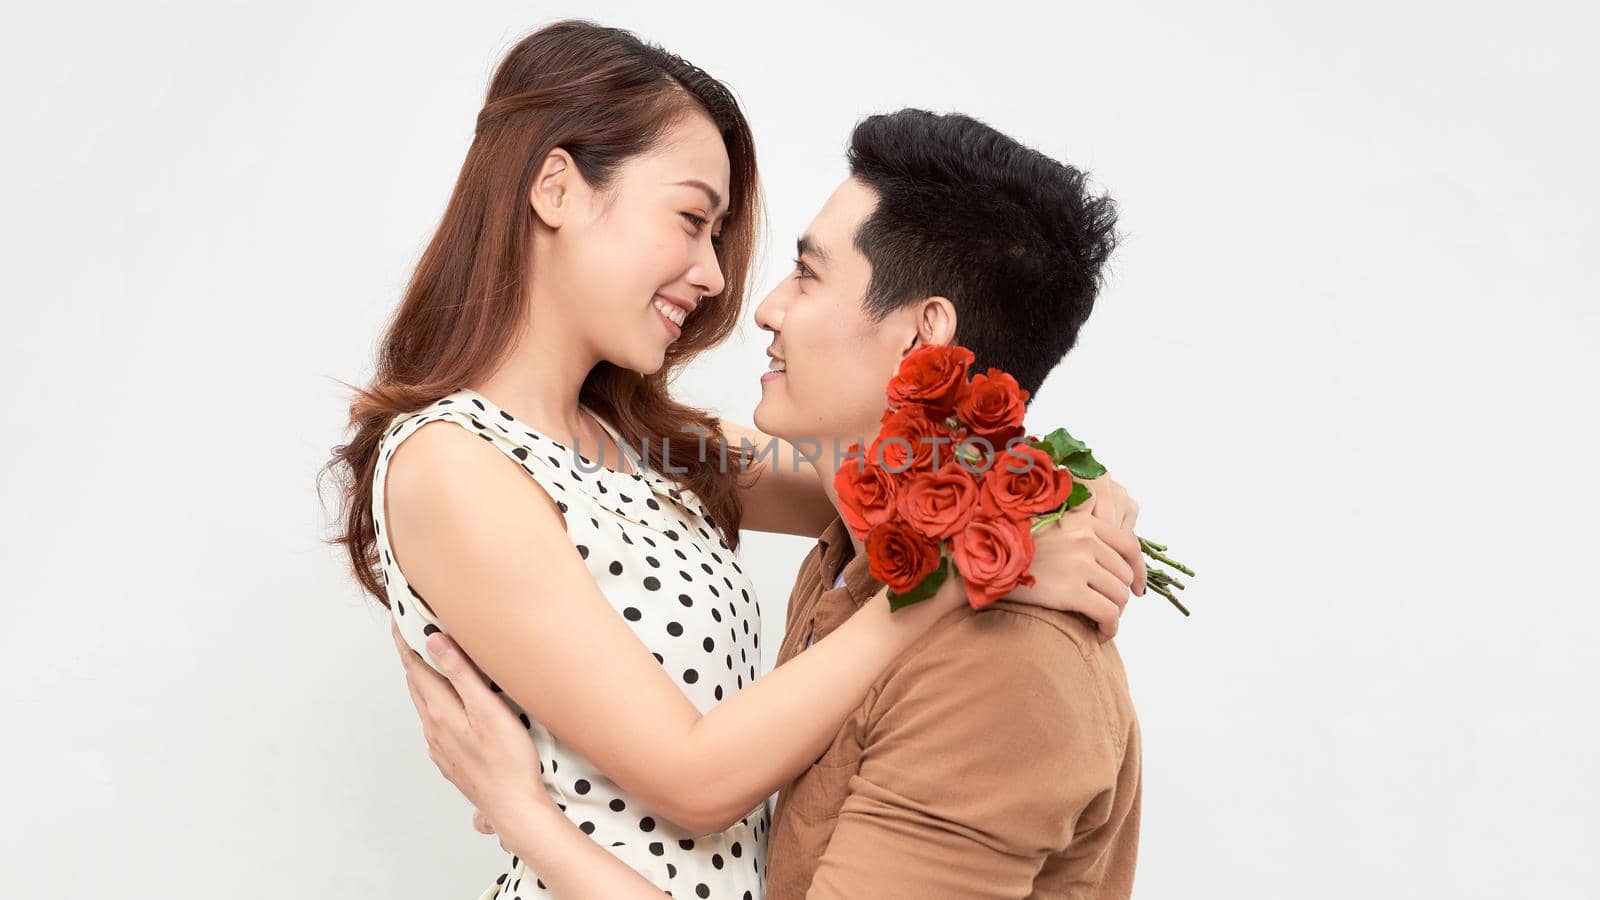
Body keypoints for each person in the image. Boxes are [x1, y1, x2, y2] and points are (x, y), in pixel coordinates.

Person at [390, 104, 1147, 898]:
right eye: (690, 218)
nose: (744, 295)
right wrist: (956, 575)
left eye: (807, 273)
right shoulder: (856, 563)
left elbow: (838, 472)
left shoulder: (636, 443)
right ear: (553, 189)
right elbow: (694, 776)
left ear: (923, 335)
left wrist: (1073, 495)